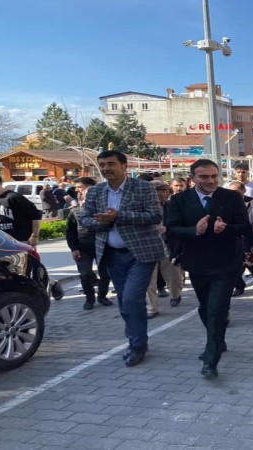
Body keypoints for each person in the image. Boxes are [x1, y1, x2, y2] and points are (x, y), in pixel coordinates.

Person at [167, 159, 253, 379]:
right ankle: (218, 339)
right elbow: (172, 229)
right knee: (205, 308)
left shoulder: (231, 197)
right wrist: (194, 230)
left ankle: (211, 358)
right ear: (193, 178)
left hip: (227, 263)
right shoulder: (179, 199)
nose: (211, 181)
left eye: (214, 176)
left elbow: (245, 227)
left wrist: (226, 228)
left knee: (216, 308)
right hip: (197, 263)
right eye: (204, 177)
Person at [80, 150, 165, 368]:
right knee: (124, 303)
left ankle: (137, 346)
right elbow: (85, 219)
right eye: (102, 165)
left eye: (111, 164)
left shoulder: (143, 188)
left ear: (124, 166)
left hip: (141, 254)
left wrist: (119, 216)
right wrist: (103, 222)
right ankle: (136, 340)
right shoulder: (96, 191)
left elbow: (155, 216)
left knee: (131, 299)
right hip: (112, 255)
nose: (106, 168)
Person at [66, 177, 113, 310]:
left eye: (80, 188)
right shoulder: (75, 211)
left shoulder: (104, 209)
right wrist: (73, 248)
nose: (78, 191)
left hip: (102, 246)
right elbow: (70, 232)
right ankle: (89, 298)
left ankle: (102, 296)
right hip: (82, 248)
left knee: (105, 274)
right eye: (77, 189)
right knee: (85, 274)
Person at [144, 181, 184, 319]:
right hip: (147, 247)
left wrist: (168, 228)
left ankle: (176, 295)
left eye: (167, 190)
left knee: (174, 275)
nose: (167, 193)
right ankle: (151, 308)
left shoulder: (172, 206)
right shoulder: (142, 207)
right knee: (148, 278)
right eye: (163, 190)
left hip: (167, 245)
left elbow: (180, 224)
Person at [0, 173, 42, 247]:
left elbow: (35, 216)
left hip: (20, 241)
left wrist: (35, 236)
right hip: (1, 242)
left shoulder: (14, 197)